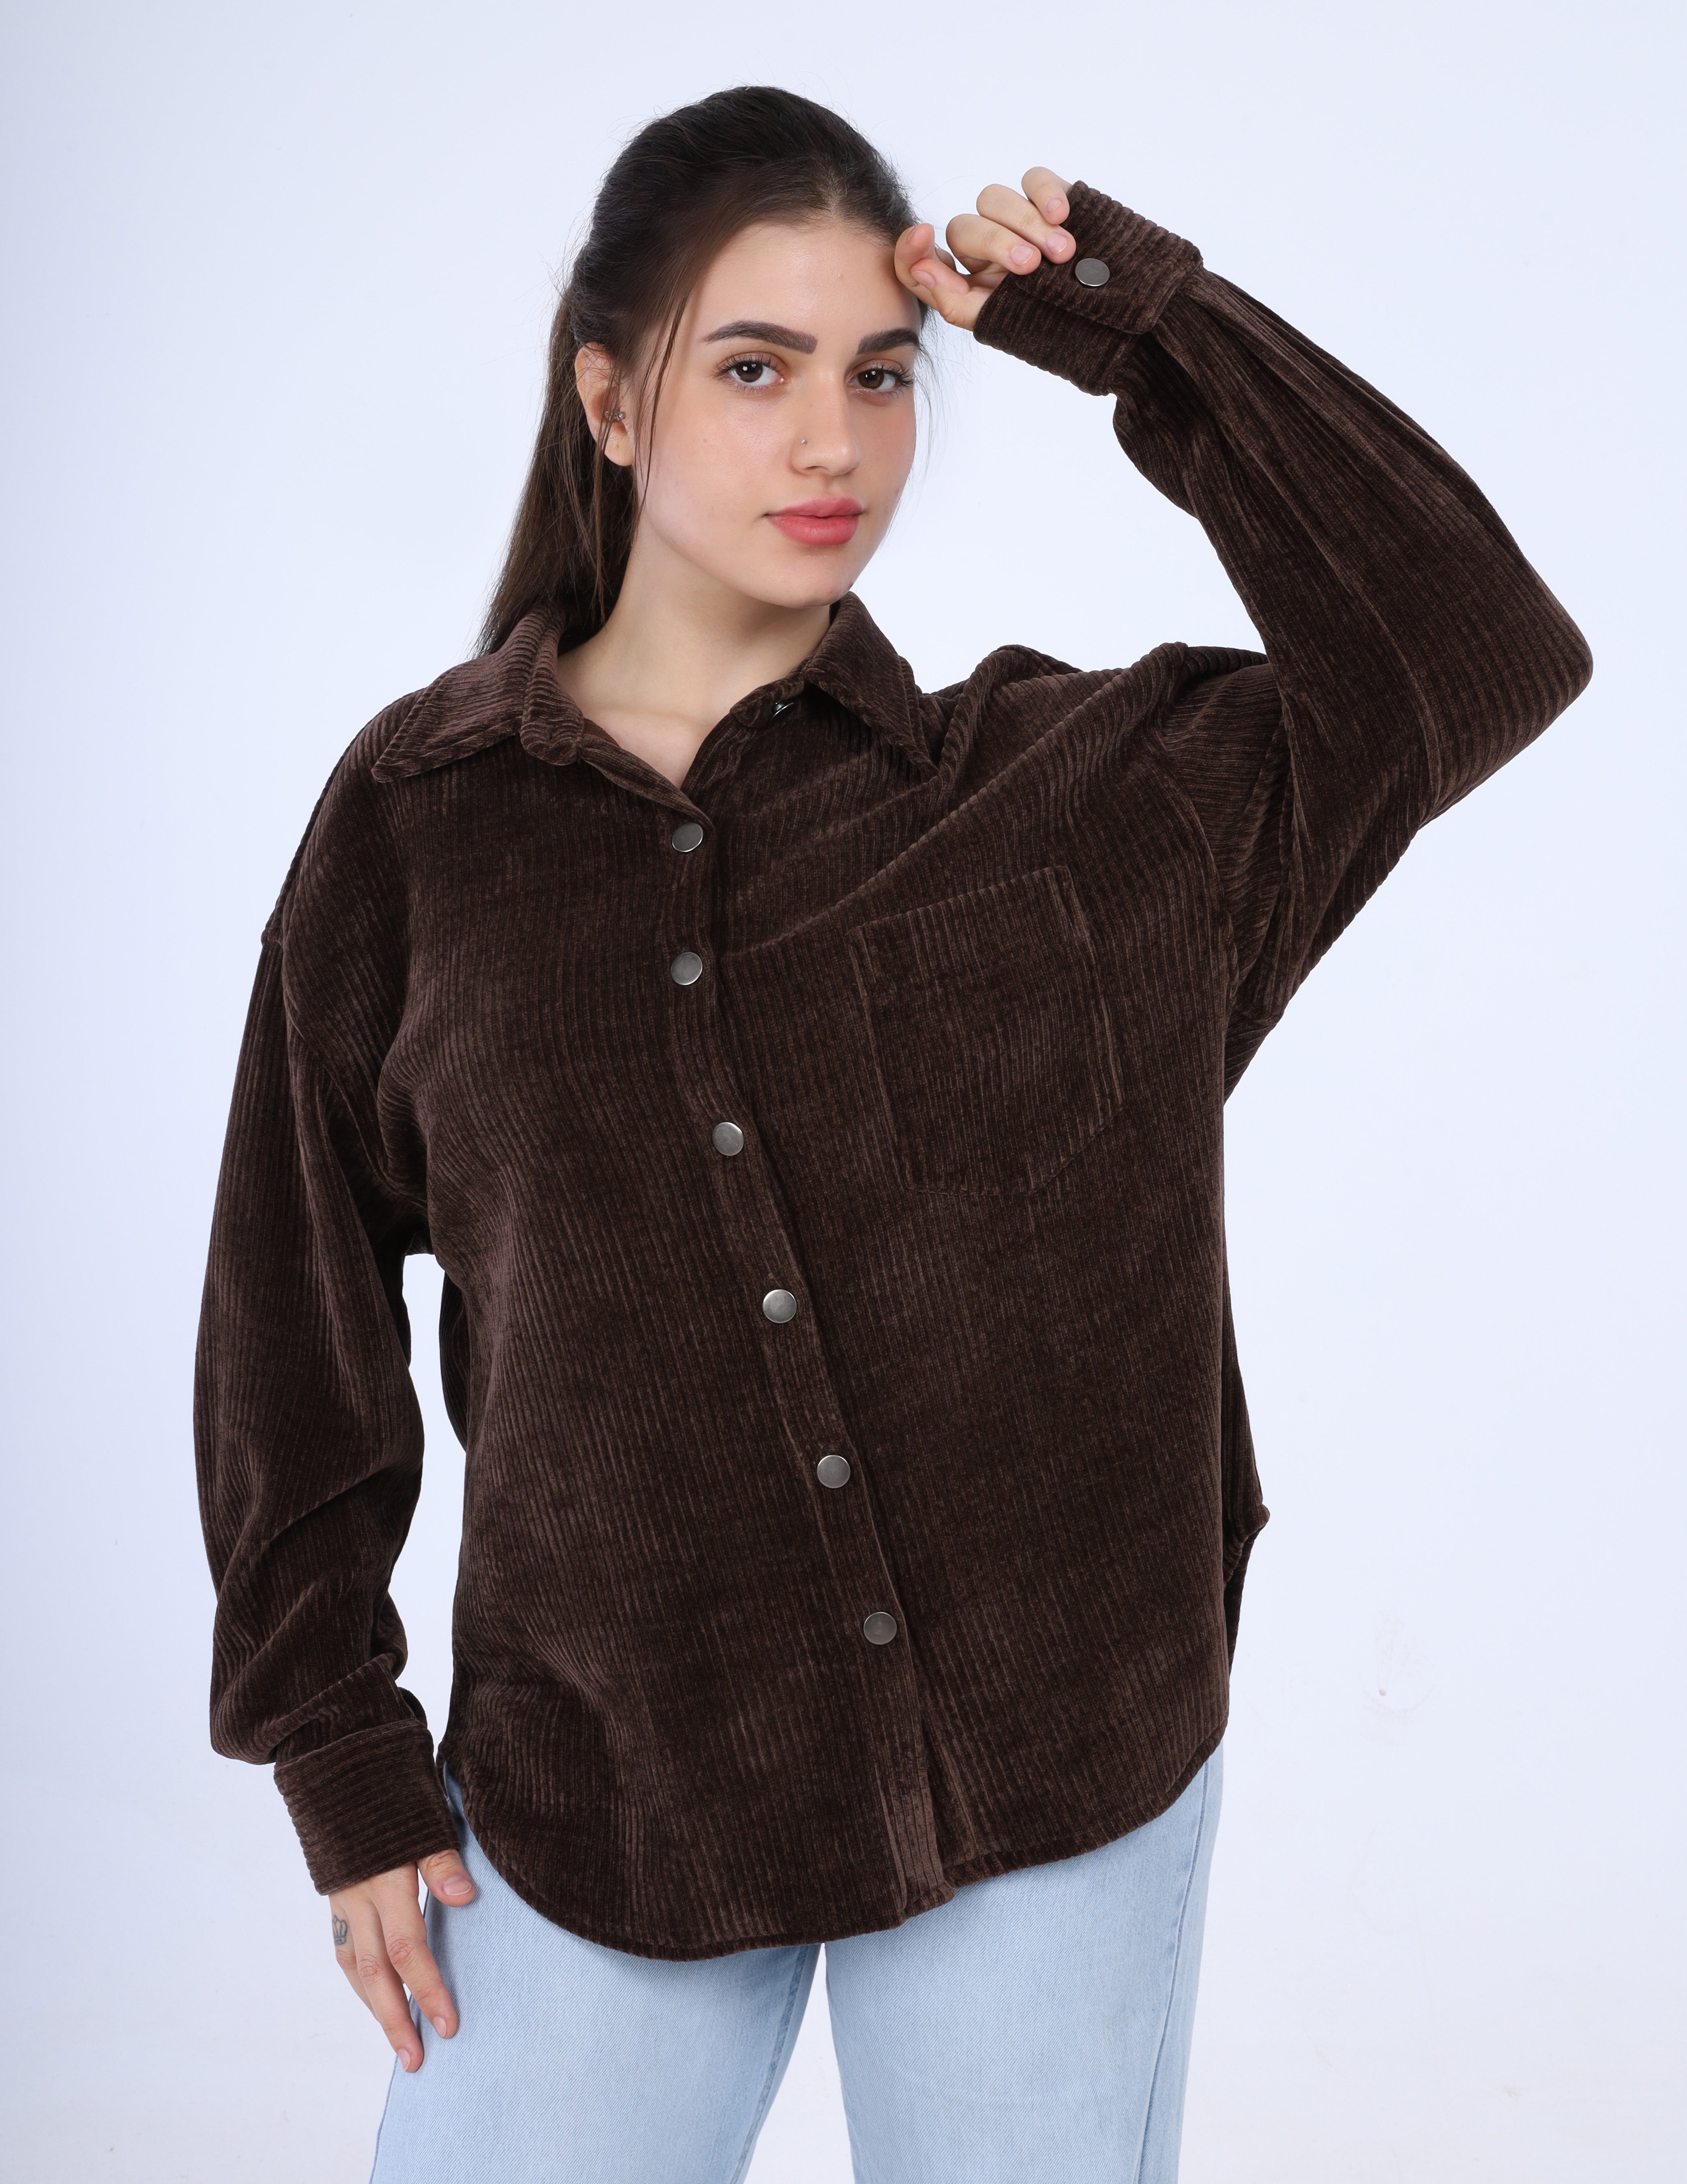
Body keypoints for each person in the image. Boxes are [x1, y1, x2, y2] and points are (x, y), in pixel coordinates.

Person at [192, 82, 1591, 2184]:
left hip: (1057, 1765)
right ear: (610, 397)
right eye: (755, 371)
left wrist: (1154, 327)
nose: (834, 443)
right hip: (613, 1789)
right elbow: (290, 1315)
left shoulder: (1088, 796)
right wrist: (339, 1751)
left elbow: (1477, 651)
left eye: (882, 371)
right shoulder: (417, 829)